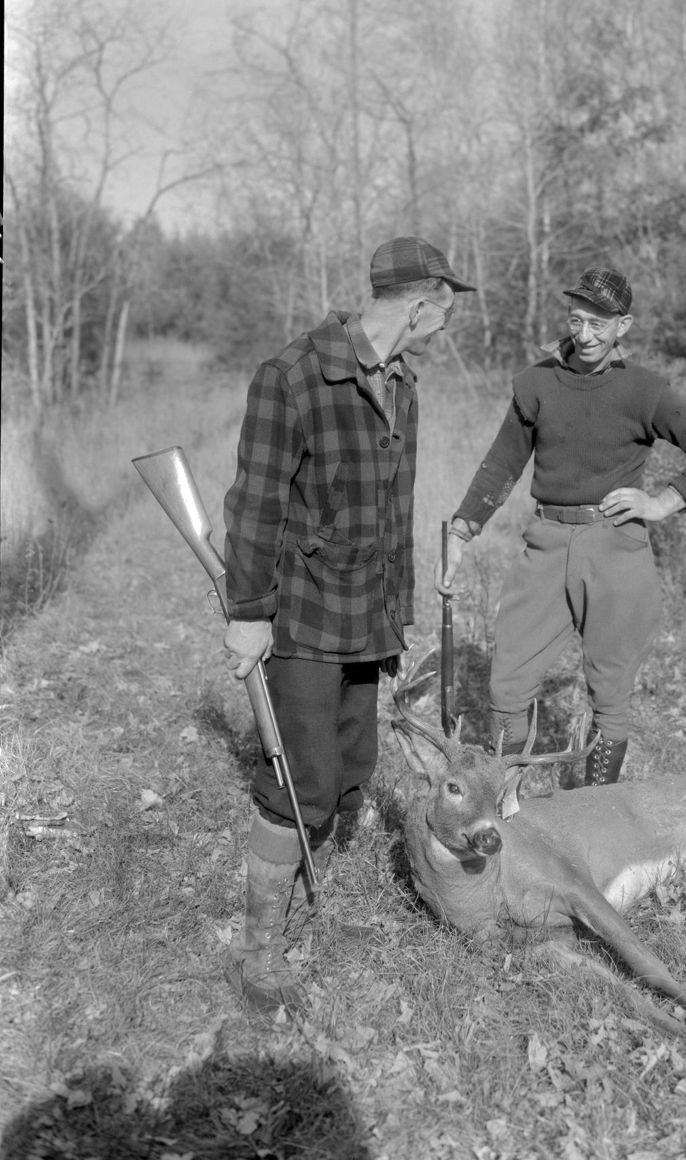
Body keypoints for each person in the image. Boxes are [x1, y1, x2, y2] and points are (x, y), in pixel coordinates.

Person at [222, 235, 477, 1016]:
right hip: (302, 614)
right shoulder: (293, 376)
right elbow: (255, 504)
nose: (446, 323)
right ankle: (258, 949)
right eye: (445, 309)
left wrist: (397, 618)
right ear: (421, 303)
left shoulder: (403, 386)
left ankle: (316, 886)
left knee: (353, 760)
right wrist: (247, 615)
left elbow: (397, 515)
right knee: (302, 782)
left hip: (366, 612)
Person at [436, 267, 686, 786]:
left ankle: (599, 807)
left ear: (623, 326)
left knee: (610, 691)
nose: (585, 334)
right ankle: (503, 801)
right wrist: (461, 533)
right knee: (507, 686)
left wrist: (662, 503)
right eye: (576, 320)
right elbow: (502, 464)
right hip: (546, 545)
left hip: (617, 547)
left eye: (599, 323)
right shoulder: (536, 383)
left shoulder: (644, 390)